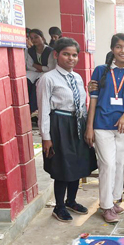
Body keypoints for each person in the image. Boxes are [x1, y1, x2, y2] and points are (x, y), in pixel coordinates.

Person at [37, 37, 96, 222]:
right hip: (59, 125)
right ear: (56, 55)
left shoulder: (77, 77)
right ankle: (59, 206)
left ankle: (71, 200)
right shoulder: (48, 79)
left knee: (77, 164)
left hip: (77, 124)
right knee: (63, 166)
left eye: (74, 55)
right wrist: (46, 137)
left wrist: (88, 127)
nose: (71, 58)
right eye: (66, 54)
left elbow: (82, 104)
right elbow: (44, 110)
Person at [85, 34, 124, 224]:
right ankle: (106, 206)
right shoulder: (100, 71)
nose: (123, 50)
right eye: (118, 47)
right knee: (106, 164)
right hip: (102, 126)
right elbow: (93, 100)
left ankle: (113, 200)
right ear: (112, 49)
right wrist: (89, 127)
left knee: (118, 164)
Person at [26, 29, 55, 115]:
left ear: (42, 37)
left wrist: (37, 66)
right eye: (31, 38)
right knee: (26, 82)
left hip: (46, 73)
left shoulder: (50, 51)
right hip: (34, 72)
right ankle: (27, 110)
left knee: (37, 84)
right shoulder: (29, 51)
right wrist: (42, 68)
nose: (34, 40)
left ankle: (34, 110)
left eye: (36, 37)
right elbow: (29, 66)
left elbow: (50, 68)